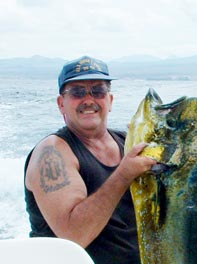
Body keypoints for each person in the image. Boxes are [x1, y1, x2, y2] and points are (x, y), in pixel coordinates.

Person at [24, 55, 156, 264]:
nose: (88, 100)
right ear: (61, 104)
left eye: (98, 91)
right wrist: (124, 174)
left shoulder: (127, 142)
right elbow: (73, 238)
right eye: (77, 92)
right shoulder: (50, 153)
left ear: (110, 100)